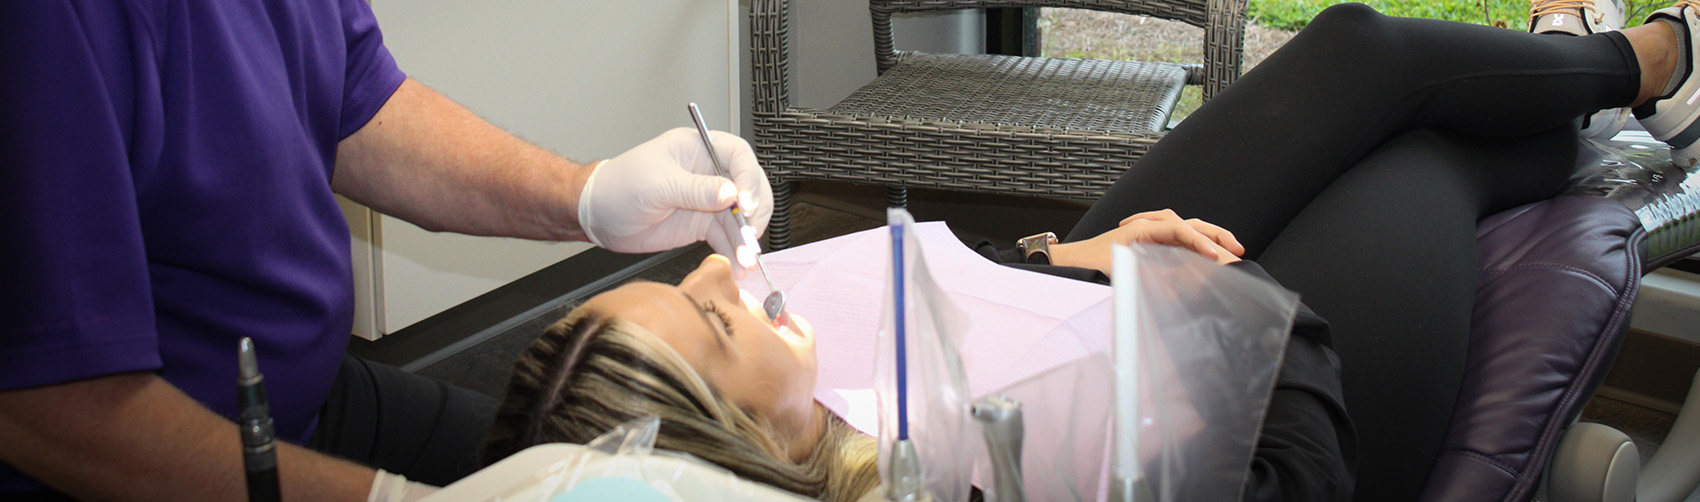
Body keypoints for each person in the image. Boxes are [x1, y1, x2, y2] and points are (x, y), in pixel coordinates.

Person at [480, 0, 1700, 501]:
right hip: (1287, 394)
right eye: (711, 320)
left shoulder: (815, 394)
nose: (712, 273)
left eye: (673, 283)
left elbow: (965, 305)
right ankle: (1640, 77)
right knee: (1423, 154)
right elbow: (1287, 478)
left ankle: (1623, 68)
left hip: (1107, 299)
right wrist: (1207, 296)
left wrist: (1074, 258)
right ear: (752, 452)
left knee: (1355, 49)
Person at [0, 0, 770, 500]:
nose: (713, 275)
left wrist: (586, 195)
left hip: (305, 391)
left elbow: (359, 100)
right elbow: (44, 407)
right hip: (135, 447)